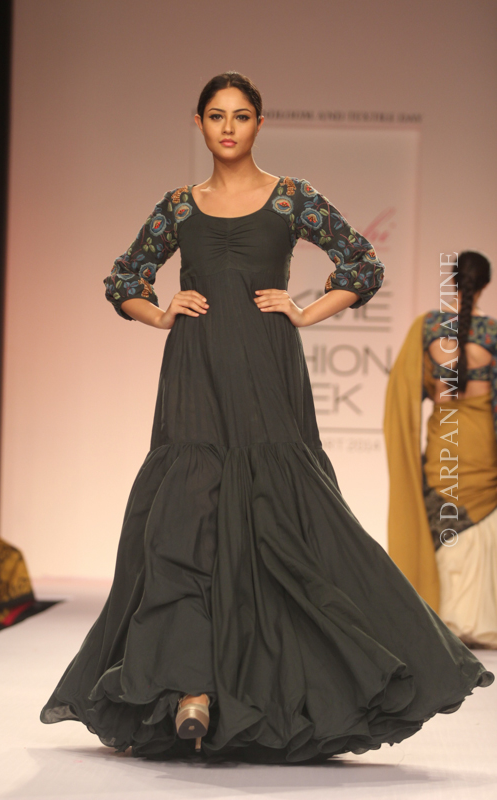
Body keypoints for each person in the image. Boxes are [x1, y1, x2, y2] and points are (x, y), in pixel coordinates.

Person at [40, 73, 494, 763]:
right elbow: (123, 278)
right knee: (182, 522)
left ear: (259, 123)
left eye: (241, 115)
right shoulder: (178, 207)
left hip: (266, 368)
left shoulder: (292, 198)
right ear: (198, 123)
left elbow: (361, 265)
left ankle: (274, 687)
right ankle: (190, 689)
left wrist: (305, 311)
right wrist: (160, 314)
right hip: (194, 370)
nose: (228, 127)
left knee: (276, 521)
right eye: (216, 116)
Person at [384, 251, 497, 649]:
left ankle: (440, 618)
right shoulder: (493, 333)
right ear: (485, 284)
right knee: (481, 523)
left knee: (442, 515)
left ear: (453, 281)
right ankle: (479, 621)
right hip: (482, 445)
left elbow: (406, 392)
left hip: (445, 441)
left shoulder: (429, 328)